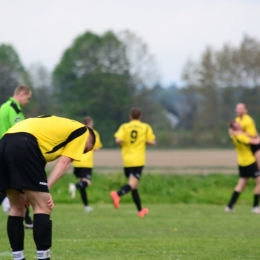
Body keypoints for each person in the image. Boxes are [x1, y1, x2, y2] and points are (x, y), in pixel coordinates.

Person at [0, 115, 96, 260]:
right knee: (43, 206)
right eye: (85, 150)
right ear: (89, 138)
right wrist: (46, 189)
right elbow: (64, 162)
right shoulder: (83, 131)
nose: (81, 153)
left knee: (17, 208)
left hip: (4, 142)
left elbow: (35, 169)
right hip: (25, 144)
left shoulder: (54, 129)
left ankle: (18, 258)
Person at [110, 108, 156, 218]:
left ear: (130, 116)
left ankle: (140, 210)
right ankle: (118, 194)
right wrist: (144, 142)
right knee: (132, 185)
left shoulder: (125, 126)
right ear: (140, 117)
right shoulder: (145, 127)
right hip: (138, 160)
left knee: (135, 187)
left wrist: (122, 144)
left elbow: (118, 140)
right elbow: (152, 142)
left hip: (127, 160)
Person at [0, 85, 33, 228]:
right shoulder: (14, 109)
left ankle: (28, 219)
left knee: (11, 185)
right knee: (18, 183)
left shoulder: (5, 106)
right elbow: (19, 132)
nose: (28, 101)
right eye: (28, 98)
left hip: (3, 149)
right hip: (8, 152)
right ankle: (28, 219)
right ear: (22, 94)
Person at [69, 116, 102, 213]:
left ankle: (86, 206)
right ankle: (74, 187)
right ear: (91, 124)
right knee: (87, 182)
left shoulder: (78, 132)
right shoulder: (94, 133)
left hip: (77, 162)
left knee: (82, 185)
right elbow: (96, 148)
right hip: (86, 163)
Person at [225, 121, 260, 213]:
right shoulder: (241, 136)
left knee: (241, 185)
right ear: (235, 129)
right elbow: (256, 141)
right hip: (249, 162)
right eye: (238, 126)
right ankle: (255, 207)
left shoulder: (233, 136)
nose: (240, 127)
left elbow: (230, 129)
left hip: (241, 163)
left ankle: (229, 207)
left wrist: (238, 131)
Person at [235, 103, 260, 169]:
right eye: (237, 108)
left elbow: (253, 135)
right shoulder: (237, 120)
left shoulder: (248, 121)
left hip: (255, 145)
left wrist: (241, 133)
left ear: (245, 110)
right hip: (247, 146)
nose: (237, 110)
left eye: (240, 109)